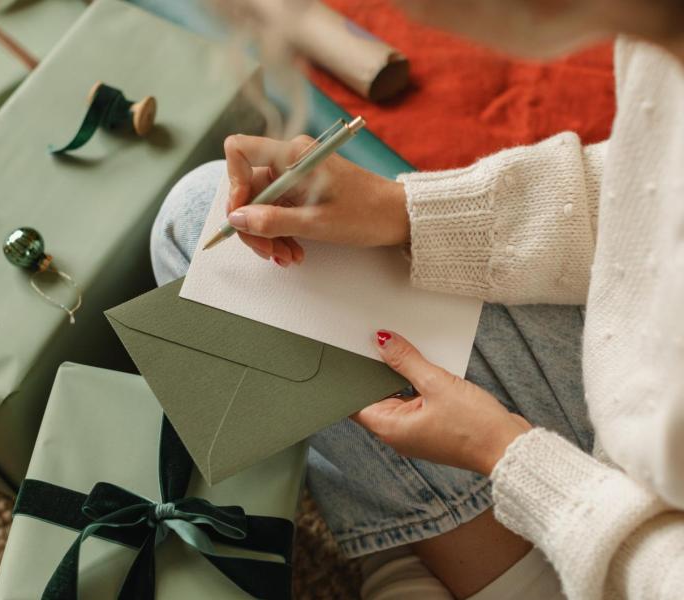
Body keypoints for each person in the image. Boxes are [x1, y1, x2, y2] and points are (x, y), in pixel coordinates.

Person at [150, 0, 684, 597]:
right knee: (201, 221)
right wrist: (405, 212)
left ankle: (439, 549)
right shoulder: (659, 36)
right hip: (633, 397)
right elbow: (648, 186)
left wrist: (504, 453)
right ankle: (423, 539)